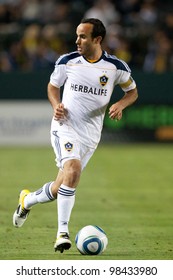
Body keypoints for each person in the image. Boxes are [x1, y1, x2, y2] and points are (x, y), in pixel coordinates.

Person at [13, 18, 138, 253]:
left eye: (82, 36)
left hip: (91, 135)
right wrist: (56, 104)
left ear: (97, 39)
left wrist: (121, 104)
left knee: (59, 187)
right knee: (73, 169)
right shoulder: (68, 61)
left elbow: (132, 92)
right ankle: (62, 233)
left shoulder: (116, 67)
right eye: (77, 35)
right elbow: (52, 86)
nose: (76, 40)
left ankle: (26, 200)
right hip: (65, 126)